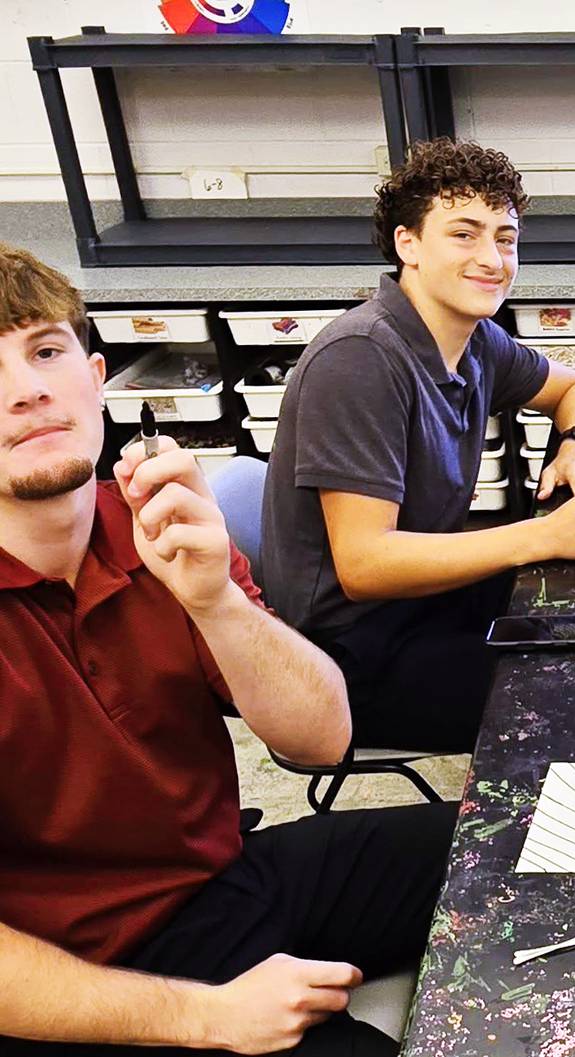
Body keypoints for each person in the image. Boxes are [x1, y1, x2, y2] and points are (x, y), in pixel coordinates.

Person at [0, 243, 455, 1057]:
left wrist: (216, 601)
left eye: (44, 351)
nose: (26, 389)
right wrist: (204, 1015)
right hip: (79, 984)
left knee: (519, 846)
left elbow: (323, 738)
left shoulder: (152, 524)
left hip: (222, 878)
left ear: (97, 378)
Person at [262, 139, 575, 753]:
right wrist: (543, 534)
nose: (492, 258)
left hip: (427, 600)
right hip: (348, 656)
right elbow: (364, 565)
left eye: (505, 239)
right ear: (407, 244)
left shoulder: (474, 338)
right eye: (464, 235)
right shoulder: (360, 358)